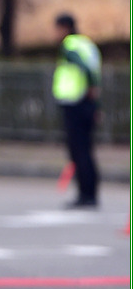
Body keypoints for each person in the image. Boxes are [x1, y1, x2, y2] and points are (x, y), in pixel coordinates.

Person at [52, 12, 102, 208]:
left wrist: (91, 86)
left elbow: (85, 69)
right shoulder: (86, 43)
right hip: (87, 103)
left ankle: (85, 195)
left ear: (65, 28)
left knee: (79, 152)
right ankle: (90, 193)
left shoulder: (69, 45)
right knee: (86, 150)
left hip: (75, 103)